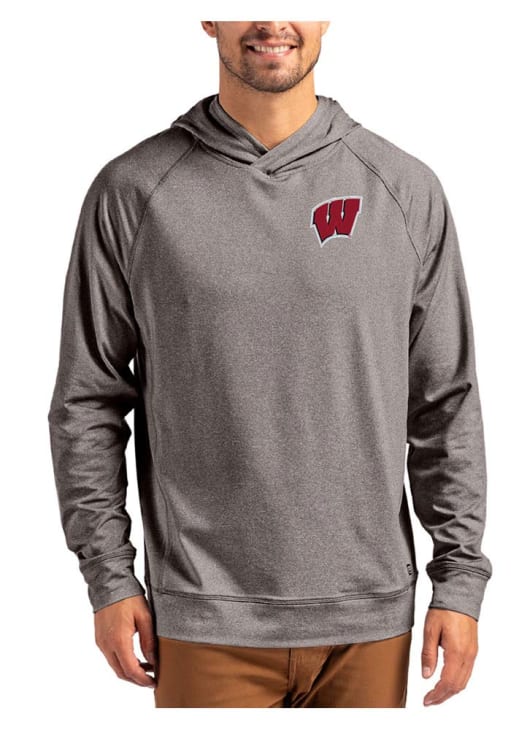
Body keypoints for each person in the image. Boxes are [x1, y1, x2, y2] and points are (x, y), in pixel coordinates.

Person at [47, 20, 493, 708]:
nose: (272, 20)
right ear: (208, 17)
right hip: (202, 611)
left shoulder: (404, 188)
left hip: (369, 616)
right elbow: (87, 400)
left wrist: (458, 582)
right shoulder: (132, 191)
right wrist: (109, 578)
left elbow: (444, 400)